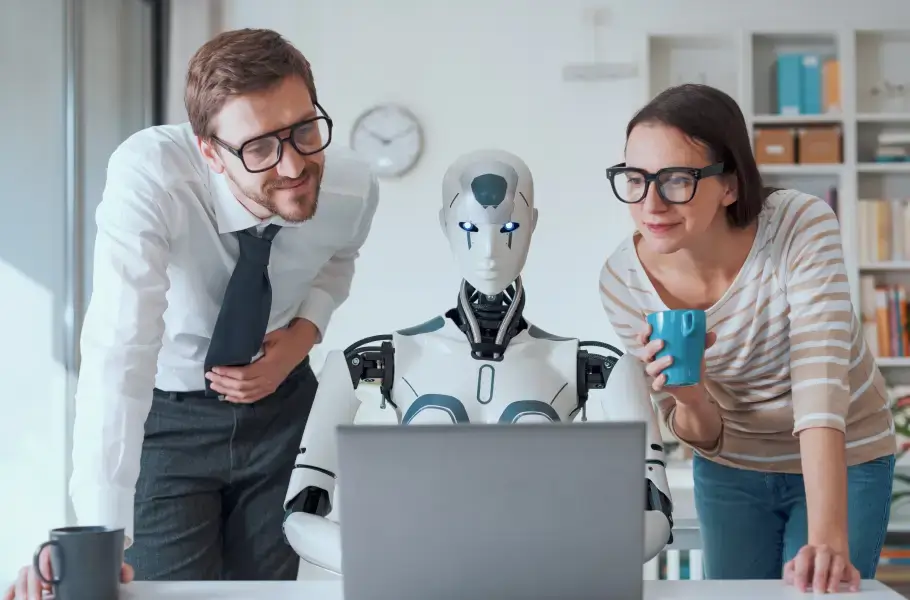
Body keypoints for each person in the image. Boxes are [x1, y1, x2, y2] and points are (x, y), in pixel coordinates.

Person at [5, 27, 379, 598]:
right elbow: (119, 349)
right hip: (167, 419)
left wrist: (302, 337)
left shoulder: (351, 185)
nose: (295, 165)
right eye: (259, 147)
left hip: (282, 413)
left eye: (304, 129)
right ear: (209, 150)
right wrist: (97, 538)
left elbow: (337, 261)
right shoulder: (151, 176)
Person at [598, 83, 896, 593]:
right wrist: (687, 394)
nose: (651, 203)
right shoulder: (623, 284)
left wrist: (826, 538)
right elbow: (705, 433)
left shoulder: (798, 226)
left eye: (676, 180)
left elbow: (819, 385)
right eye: (635, 178)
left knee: (819, 588)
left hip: (844, 456)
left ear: (730, 184)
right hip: (732, 467)